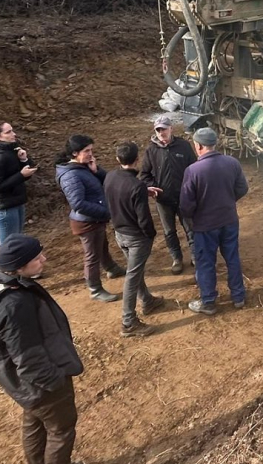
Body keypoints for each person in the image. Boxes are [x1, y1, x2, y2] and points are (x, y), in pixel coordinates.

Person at [0, 234, 97, 464]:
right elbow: (27, 358)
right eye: (37, 258)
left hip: (23, 387)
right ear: (19, 267)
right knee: (60, 430)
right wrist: (53, 380)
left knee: (34, 425)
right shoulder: (15, 304)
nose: (43, 259)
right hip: (41, 382)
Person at [179, 127, 248, 315]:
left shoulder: (193, 170)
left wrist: (194, 215)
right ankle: (238, 297)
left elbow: (186, 205)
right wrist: (227, 201)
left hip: (205, 225)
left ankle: (208, 302)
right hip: (229, 220)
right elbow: (242, 188)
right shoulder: (232, 163)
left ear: (199, 146)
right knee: (232, 257)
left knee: (206, 262)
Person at [55, 135, 124, 302]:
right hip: (86, 221)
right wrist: (106, 212)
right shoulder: (70, 176)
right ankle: (95, 289)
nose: (91, 154)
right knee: (92, 255)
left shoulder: (82, 168)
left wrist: (96, 170)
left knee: (102, 244)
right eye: (87, 151)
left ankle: (111, 268)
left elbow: (107, 180)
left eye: (91, 150)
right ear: (74, 153)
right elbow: (78, 203)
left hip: (95, 218)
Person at [105, 141, 164, 338]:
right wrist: (151, 234)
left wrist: (142, 191)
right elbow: (144, 219)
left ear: (117, 159)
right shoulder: (136, 186)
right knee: (132, 276)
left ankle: (147, 300)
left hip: (119, 234)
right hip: (136, 238)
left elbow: (120, 193)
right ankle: (128, 322)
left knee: (134, 271)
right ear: (137, 159)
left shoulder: (110, 176)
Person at [139, 116, 197, 274]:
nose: (161, 132)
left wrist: (191, 189)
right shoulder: (151, 150)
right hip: (163, 200)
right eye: (158, 130)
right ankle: (176, 259)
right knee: (169, 231)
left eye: (164, 128)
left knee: (190, 228)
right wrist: (152, 187)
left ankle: (195, 256)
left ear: (171, 128)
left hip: (184, 197)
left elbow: (194, 169)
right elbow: (144, 175)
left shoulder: (184, 146)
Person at [0, 121, 38, 243]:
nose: (14, 134)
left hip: (15, 203)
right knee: (9, 246)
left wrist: (24, 160)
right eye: (8, 132)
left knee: (16, 242)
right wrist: (20, 175)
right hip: (4, 208)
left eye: (12, 130)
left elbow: (28, 171)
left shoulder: (11, 151)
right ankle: (5, 263)